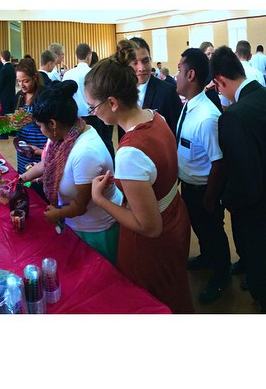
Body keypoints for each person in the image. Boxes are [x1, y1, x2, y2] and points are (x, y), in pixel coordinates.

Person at [84, 41, 194, 313]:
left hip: (154, 240)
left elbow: (149, 227)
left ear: (112, 102)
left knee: (151, 300)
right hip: (176, 215)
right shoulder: (156, 118)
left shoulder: (129, 152)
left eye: (93, 107)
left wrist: (101, 199)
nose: (93, 113)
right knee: (174, 286)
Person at [210, 46, 266, 312]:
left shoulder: (234, 117)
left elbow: (245, 180)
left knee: (265, 275)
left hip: (260, 213)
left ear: (221, 81)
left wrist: (226, 200)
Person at [18, 82, 122, 264]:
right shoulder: (63, 135)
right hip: (74, 222)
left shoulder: (85, 153)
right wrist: (22, 178)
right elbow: (46, 163)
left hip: (94, 230)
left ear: (53, 123)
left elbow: (80, 205)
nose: (41, 131)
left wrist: (56, 214)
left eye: (40, 126)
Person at [176, 49, 231, 304]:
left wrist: (210, 199)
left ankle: (221, 276)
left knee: (212, 232)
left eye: (178, 70)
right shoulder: (189, 106)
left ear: (191, 74)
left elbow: (218, 163)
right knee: (201, 229)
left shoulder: (208, 117)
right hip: (189, 185)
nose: (175, 76)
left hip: (203, 189)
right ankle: (207, 257)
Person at [63, 42, 114, 160]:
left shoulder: (68, 74)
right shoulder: (93, 73)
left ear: (76, 56)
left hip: (75, 118)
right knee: (102, 145)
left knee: (79, 148)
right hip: (94, 115)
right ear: (89, 56)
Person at [127, 37, 183, 134]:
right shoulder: (123, 93)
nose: (142, 68)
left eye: (145, 61)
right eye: (135, 63)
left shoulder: (167, 92)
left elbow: (176, 132)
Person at [14, 58, 47, 177]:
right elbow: (16, 120)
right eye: (18, 81)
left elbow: (53, 123)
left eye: (25, 81)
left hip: (39, 150)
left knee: (38, 183)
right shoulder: (19, 96)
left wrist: (33, 120)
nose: (21, 85)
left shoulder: (44, 95)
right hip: (23, 150)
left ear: (35, 77)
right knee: (24, 179)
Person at [0, 49, 17, 139]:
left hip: (4, 96)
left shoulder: (3, 69)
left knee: (4, 114)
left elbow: (0, 84)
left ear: (2, 58)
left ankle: (4, 134)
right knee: (11, 113)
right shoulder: (12, 68)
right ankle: (13, 131)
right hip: (12, 94)